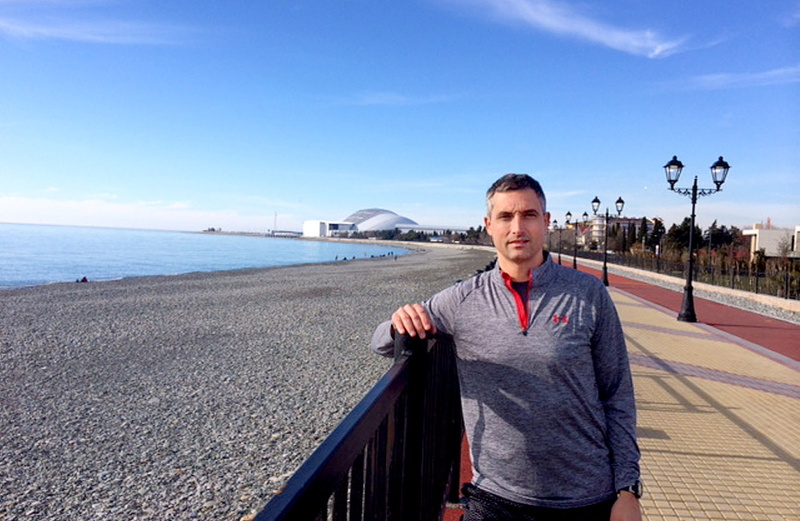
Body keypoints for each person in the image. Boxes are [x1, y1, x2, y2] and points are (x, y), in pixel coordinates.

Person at [370, 174, 642, 521]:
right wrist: (400, 322)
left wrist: (628, 490)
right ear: (489, 226)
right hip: (496, 498)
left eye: (529, 215)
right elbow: (380, 342)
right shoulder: (464, 299)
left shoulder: (589, 295)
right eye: (505, 217)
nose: (518, 227)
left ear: (546, 223)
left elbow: (618, 396)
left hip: (586, 496)